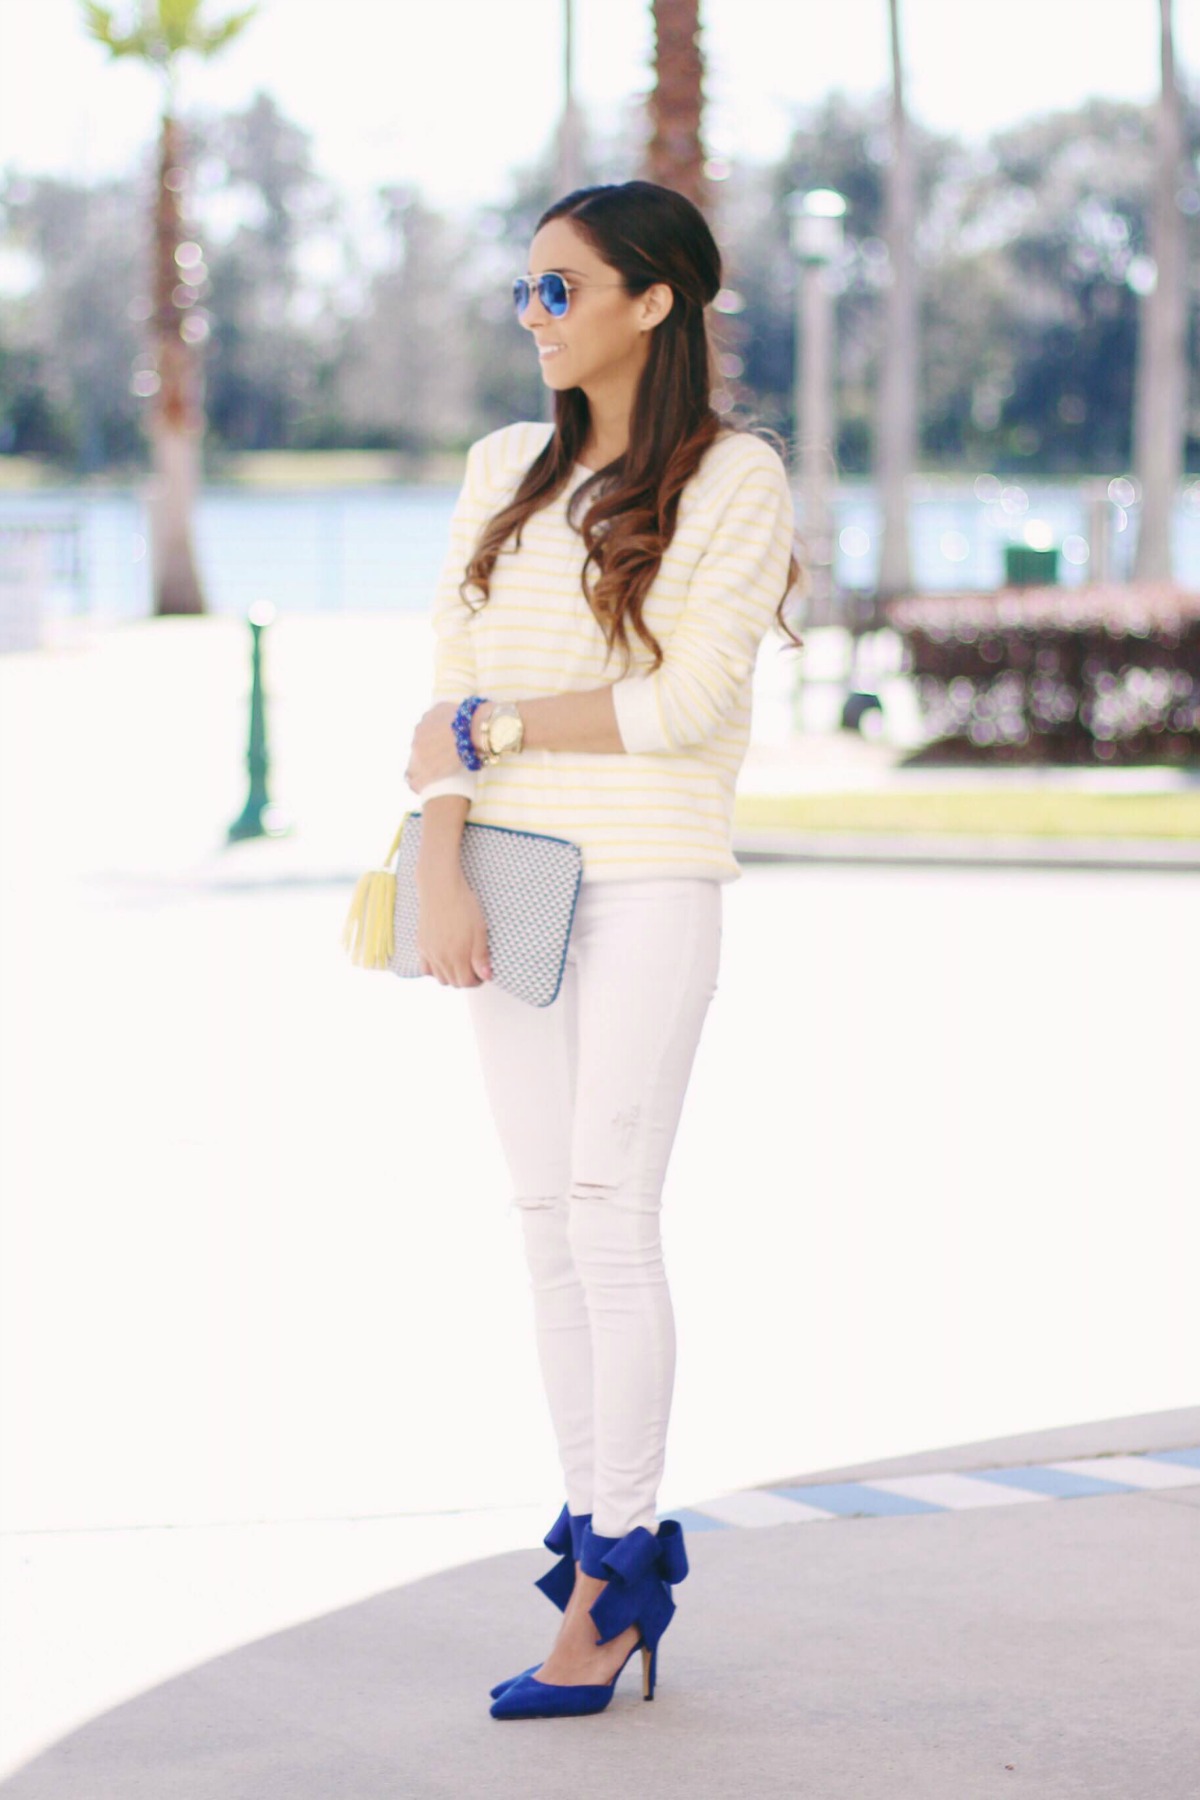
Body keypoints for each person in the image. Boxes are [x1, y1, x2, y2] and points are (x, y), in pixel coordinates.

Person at [402, 179, 804, 1720]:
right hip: (504, 874)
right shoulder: (506, 466)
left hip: (648, 881)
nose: (533, 315)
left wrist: (494, 726)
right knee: (537, 1219)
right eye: (526, 289)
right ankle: (589, 1528)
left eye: (561, 290)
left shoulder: (733, 478)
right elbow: (439, 685)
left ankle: (613, 1578)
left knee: (606, 1211)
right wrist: (442, 861)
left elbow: (687, 704)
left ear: (655, 302)